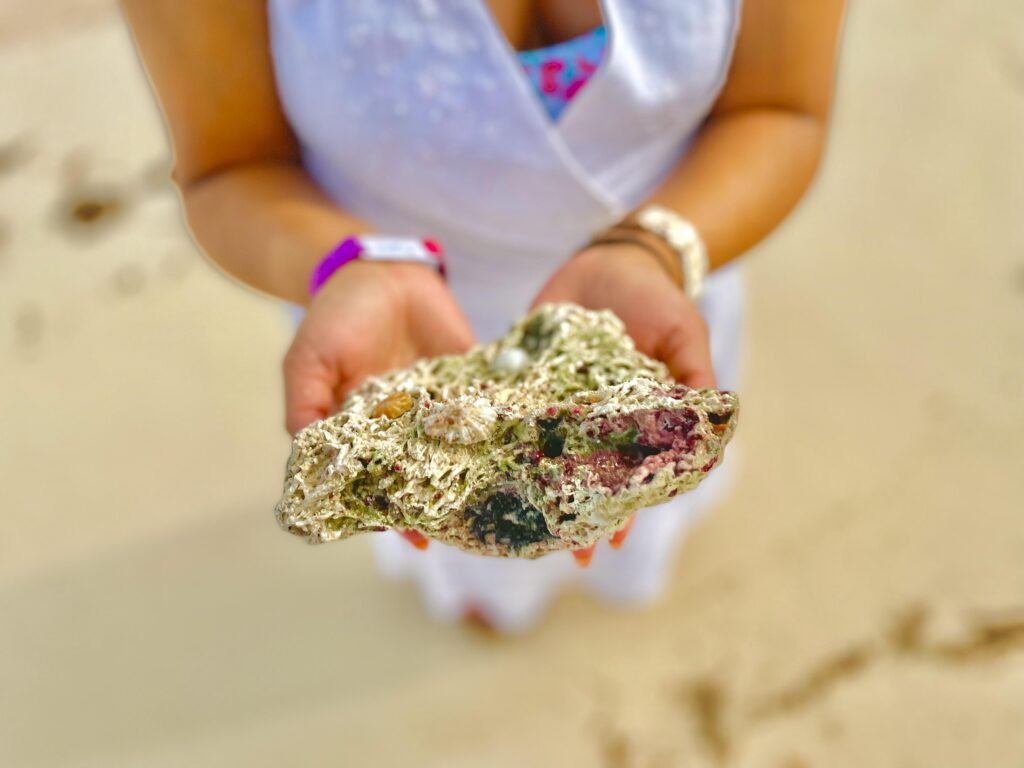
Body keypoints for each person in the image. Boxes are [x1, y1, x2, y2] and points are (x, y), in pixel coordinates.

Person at [122, 0, 845, 632]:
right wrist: (354, 267)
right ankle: (490, 599)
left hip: (646, 311)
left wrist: (653, 248)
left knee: (637, 491)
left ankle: (612, 574)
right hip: (396, 339)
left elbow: (779, 107)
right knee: (465, 525)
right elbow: (229, 165)